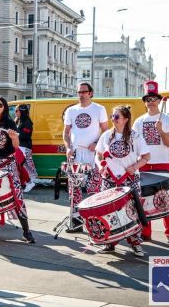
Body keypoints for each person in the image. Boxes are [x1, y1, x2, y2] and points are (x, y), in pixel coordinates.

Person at [0, 96, 35, 243]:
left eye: (0, 105)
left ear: (4, 108)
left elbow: (16, 145)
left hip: (8, 164)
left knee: (16, 194)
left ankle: (26, 231)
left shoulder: (9, 123)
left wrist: (14, 136)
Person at [95, 105, 150, 257]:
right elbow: (98, 154)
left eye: (116, 116)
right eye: (112, 116)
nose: (113, 119)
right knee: (109, 210)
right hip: (109, 179)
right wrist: (100, 166)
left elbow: (146, 156)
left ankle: (135, 243)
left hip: (130, 179)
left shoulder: (135, 136)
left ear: (125, 119)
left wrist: (135, 166)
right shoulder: (106, 135)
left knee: (131, 211)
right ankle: (109, 242)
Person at [133, 80, 169, 246]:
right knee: (144, 201)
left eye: (153, 99)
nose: (150, 102)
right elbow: (135, 145)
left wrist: (160, 130)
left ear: (159, 100)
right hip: (145, 165)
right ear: (144, 102)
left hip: (163, 164)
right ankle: (146, 233)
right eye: (147, 99)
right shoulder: (138, 121)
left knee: (167, 200)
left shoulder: (167, 119)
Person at [63, 82, 108, 233]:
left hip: (93, 155)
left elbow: (106, 132)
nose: (81, 94)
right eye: (79, 92)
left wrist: (96, 143)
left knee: (93, 188)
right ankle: (76, 221)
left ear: (91, 93)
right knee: (74, 189)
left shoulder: (99, 109)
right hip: (76, 155)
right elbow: (66, 132)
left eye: (84, 92)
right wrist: (68, 147)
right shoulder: (71, 110)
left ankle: (95, 223)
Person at [15, 104, 38, 192]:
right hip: (18, 146)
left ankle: (31, 181)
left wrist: (16, 133)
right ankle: (26, 182)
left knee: (27, 165)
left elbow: (25, 135)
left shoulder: (27, 122)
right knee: (22, 165)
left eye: (17, 111)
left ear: (22, 111)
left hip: (24, 147)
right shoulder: (18, 120)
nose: (15, 112)